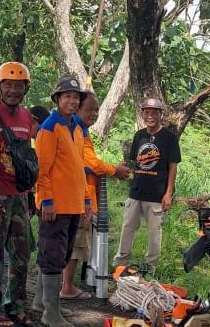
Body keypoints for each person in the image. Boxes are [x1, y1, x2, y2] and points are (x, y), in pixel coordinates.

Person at [0, 61, 37, 327]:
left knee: (22, 253)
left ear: (26, 88)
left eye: (19, 85)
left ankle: (16, 305)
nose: (13, 90)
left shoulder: (27, 117)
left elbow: (28, 157)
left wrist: (32, 193)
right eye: (8, 85)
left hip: (21, 197)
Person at [32, 75, 89, 327]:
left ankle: (42, 303)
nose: (72, 101)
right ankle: (50, 314)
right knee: (52, 255)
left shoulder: (76, 127)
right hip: (55, 205)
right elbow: (42, 171)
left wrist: (86, 198)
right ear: (57, 99)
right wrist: (46, 201)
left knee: (61, 255)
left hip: (74, 203)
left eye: (76, 97)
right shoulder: (49, 128)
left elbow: (79, 166)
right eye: (67, 96)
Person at [62, 92, 129, 298]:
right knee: (76, 243)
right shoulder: (75, 130)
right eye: (89, 109)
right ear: (77, 109)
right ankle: (67, 287)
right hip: (78, 196)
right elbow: (89, 162)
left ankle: (65, 284)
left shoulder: (80, 130)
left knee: (75, 241)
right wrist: (114, 170)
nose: (94, 114)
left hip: (83, 195)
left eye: (97, 110)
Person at [113, 96, 181, 274]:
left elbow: (173, 167)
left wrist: (168, 193)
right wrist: (122, 171)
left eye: (154, 113)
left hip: (157, 194)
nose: (150, 116)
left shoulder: (169, 138)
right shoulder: (139, 135)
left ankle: (150, 267)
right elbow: (134, 162)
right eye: (146, 112)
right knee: (127, 227)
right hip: (136, 191)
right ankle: (121, 263)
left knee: (154, 232)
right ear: (142, 114)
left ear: (160, 115)